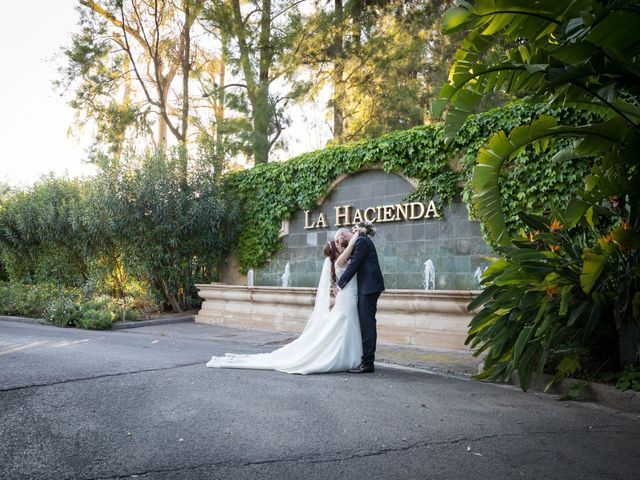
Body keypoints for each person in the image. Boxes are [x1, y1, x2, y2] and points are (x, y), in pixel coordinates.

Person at [205, 233, 363, 374]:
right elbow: (350, 247)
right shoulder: (339, 261)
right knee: (343, 323)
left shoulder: (338, 261)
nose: (339, 244)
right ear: (336, 252)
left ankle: (347, 354)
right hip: (347, 299)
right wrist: (357, 233)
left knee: (343, 324)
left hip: (348, 297)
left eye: (338, 242)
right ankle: (345, 356)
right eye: (336, 244)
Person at [334, 224, 385, 373]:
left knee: (367, 324)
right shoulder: (359, 241)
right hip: (367, 287)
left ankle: (368, 363)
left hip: (369, 288)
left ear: (343, 235)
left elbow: (353, 266)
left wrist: (339, 285)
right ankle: (366, 360)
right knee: (366, 323)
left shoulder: (361, 242)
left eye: (338, 240)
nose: (338, 244)